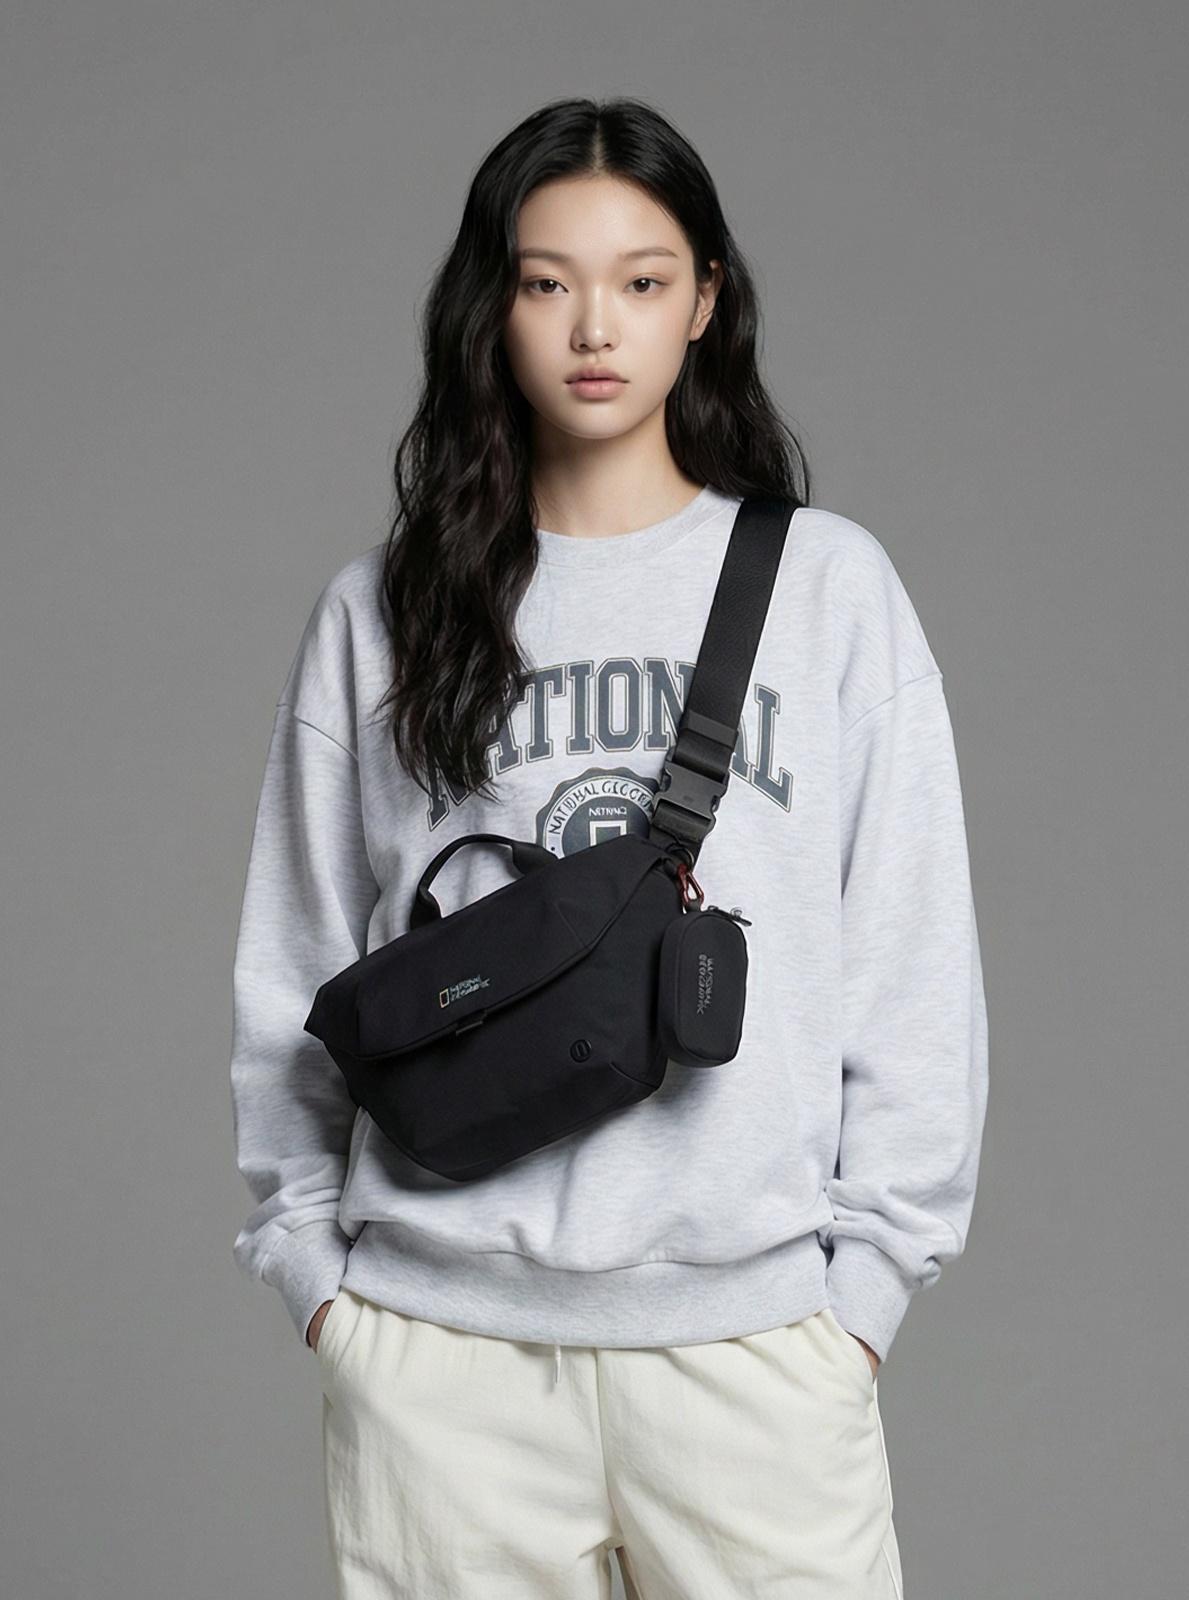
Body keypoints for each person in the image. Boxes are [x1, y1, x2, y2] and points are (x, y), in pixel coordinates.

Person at [230, 95, 988, 1599]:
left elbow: (911, 955)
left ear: (705, 302)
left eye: (642, 281)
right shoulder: (383, 612)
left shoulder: (829, 590)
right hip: (443, 1363)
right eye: (546, 282)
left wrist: (861, 1301)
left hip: (756, 1356)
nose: (595, 327)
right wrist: (318, 1275)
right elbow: (298, 960)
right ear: (491, 305)